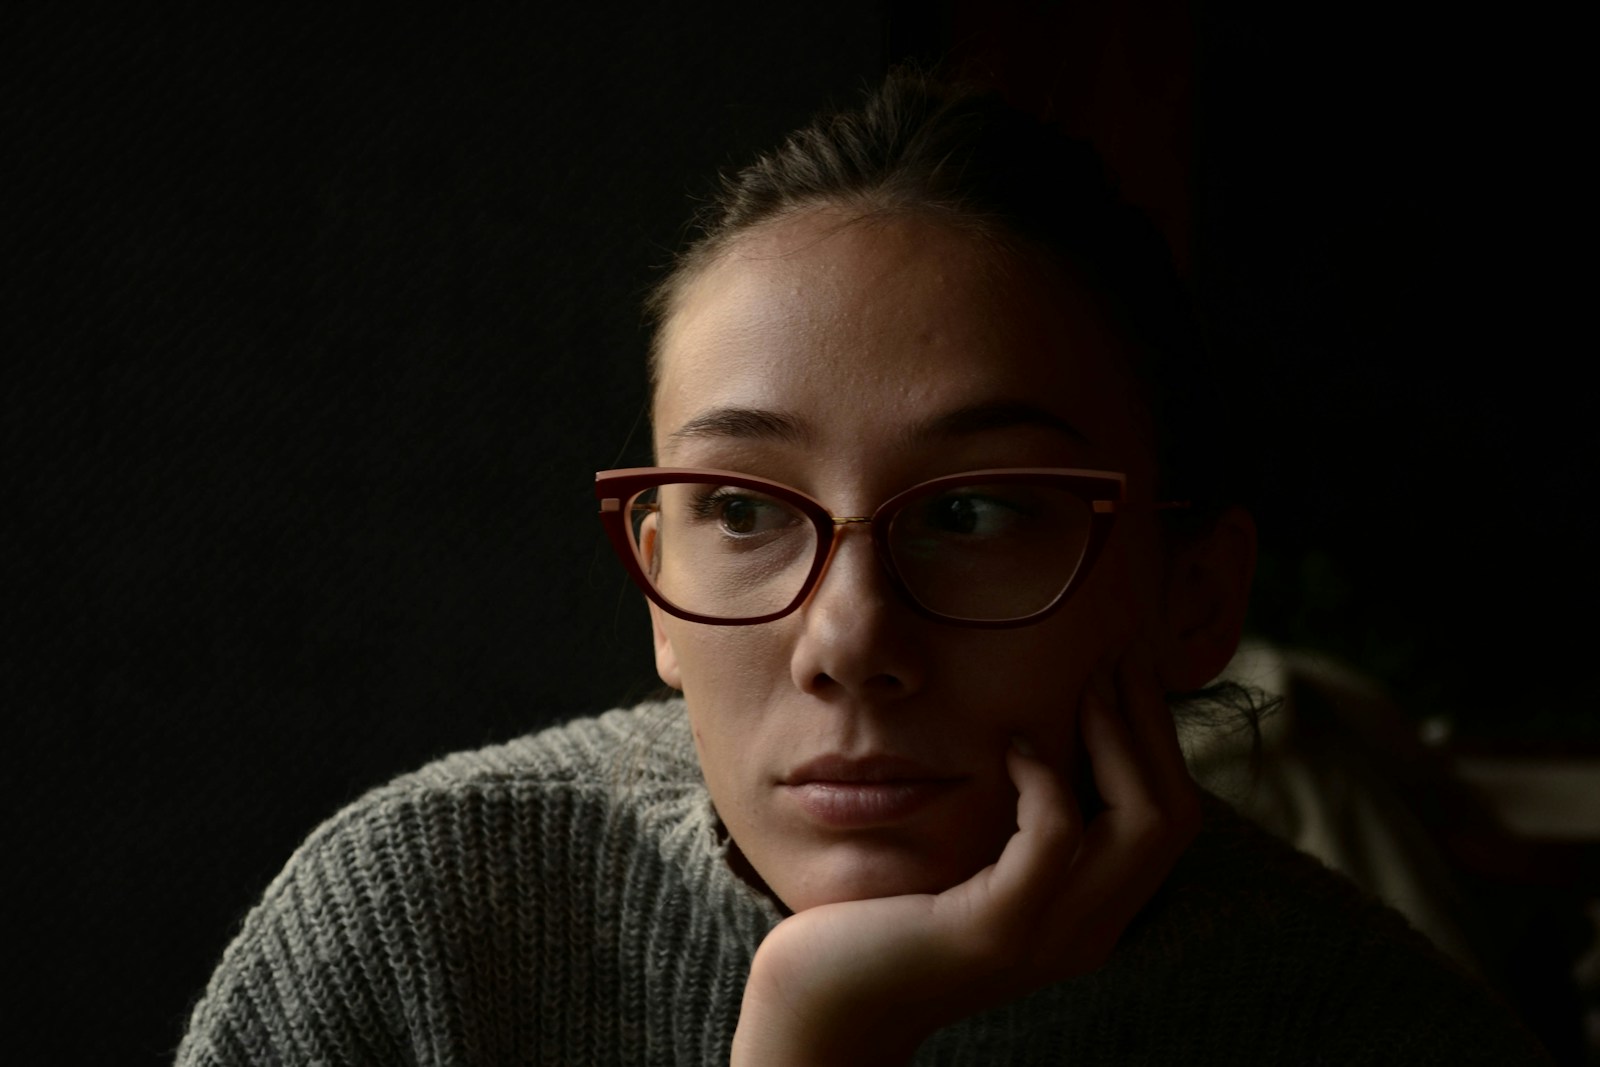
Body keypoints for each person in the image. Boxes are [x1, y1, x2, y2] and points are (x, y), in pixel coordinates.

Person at [176, 70, 1547, 1064]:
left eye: (975, 514)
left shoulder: (1358, 1032)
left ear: (1192, 595)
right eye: (742, 507)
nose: (847, 638)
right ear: (657, 578)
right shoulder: (425, 927)